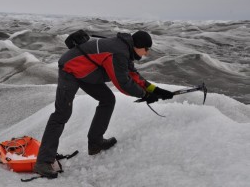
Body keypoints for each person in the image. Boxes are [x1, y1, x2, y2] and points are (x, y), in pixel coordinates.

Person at [34, 30, 174, 177]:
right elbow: (123, 83)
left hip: (87, 72)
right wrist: (145, 95)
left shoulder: (125, 50)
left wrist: (156, 90)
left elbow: (133, 75)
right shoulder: (119, 52)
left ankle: (95, 142)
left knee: (108, 100)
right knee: (62, 113)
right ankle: (43, 162)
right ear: (138, 45)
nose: (147, 53)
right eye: (146, 49)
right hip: (70, 69)